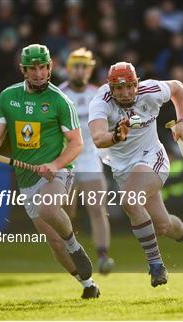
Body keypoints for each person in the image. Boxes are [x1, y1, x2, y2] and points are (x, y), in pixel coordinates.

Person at [0, 44, 100, 299]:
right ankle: (87, 284)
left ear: (51, 67)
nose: (39, 73)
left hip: (57, 172)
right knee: (54, 243)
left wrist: (54, 165)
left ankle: (75, 247)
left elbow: (77, 144)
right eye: (33, 68)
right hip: (27, 178)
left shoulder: (60, 101)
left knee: (48, 208)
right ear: (23, 70)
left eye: (43, 67)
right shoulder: (8, 97)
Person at [88, 62, 183, 287]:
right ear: (110, 88)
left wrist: (182, 121)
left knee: (130, 199)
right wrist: (117, 136)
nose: (125, 93)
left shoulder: (151, 90)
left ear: (137, 84)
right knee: (163, 225)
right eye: (118, 88)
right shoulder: (101, 101)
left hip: (152, 157)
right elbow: (98, 137)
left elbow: (177, 88)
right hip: (123, 169)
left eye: (129, 87)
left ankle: (156, 265)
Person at [59, 48, 115, 274]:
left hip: (91, 160)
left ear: (90, 70)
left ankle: (103, 256)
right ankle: (73, 253)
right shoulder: (59, 95)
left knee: (97, 209)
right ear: (69, 69)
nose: (80, 71)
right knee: (66, 212)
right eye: (76, 66)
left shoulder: (98, 95)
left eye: (84, 66)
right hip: (67, 162)